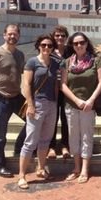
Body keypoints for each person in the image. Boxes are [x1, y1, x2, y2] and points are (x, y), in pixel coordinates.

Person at [0, 24, 27, 178]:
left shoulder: (20, 55)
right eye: (10, 34)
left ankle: (19, 146)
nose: (12, 37)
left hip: (17, 97)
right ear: (4, 35)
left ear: (19, 36)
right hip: (1, 99)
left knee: (34, 119)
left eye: (15, 34)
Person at [61, 32, 101, 183]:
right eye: (75, 43)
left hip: (88, 105)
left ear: (87, 43)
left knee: (86, 136)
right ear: (72, 46)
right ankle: (76, 168)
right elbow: (63, 84)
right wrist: (76, 100)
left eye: (81, 42)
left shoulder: (96, 61)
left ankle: (85, 169)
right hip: (72, 105)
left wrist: (91, 100)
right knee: (74, 136)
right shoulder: (67, 62)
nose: (79, 45)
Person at [17, 34, 59, 189]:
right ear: (38, 46)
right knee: (30, 141)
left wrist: (55, 102)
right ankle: (21, 175)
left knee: (45, 140)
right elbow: (26, 85)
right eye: (44, 45)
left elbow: (55, 84)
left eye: (49, 46)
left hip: (51, 105)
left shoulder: (54, 63)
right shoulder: (32, 62)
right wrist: (31, 105)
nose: (46, 48)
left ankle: (41, 169)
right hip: (37, 104)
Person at [48, 26, 71, 159]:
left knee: (66, 118)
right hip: (52, 89)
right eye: (57, 35)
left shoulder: (70, 51)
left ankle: (64, 146)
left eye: (62, 35)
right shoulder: (49, 50)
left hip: (67, 89)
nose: (60, 38)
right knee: (52, 118)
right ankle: (51, 147)